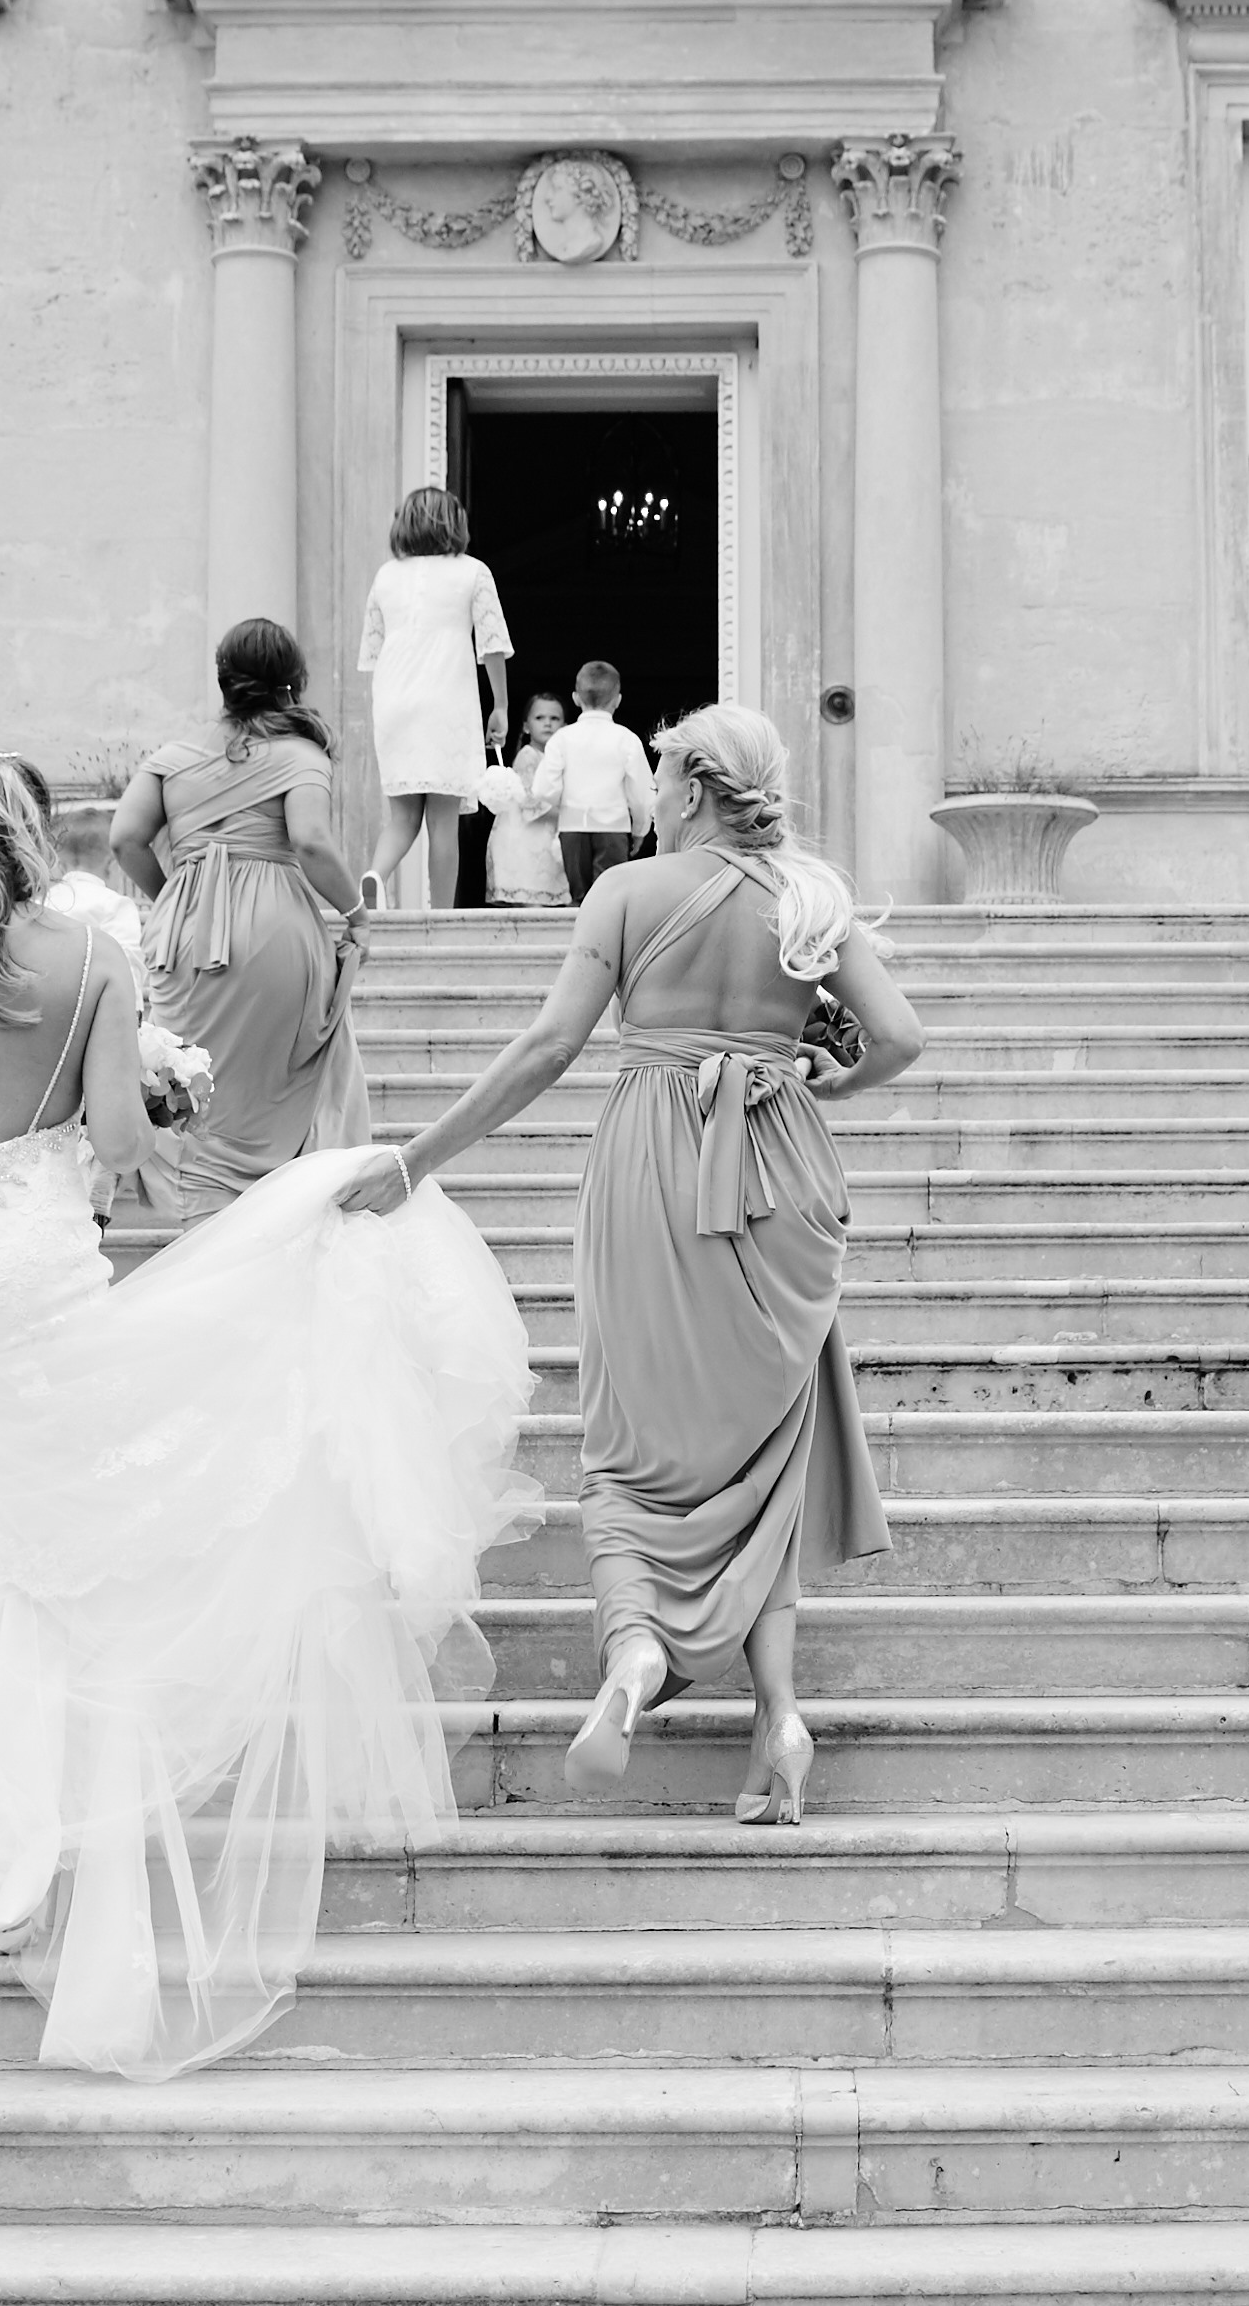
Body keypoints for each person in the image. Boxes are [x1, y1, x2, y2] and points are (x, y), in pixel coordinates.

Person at [0, 754, 542, 2081]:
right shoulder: (93, 959)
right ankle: (31, 1803)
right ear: (39, 837)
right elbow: (114, 1143)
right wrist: (138, 1103)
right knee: (41, 1544)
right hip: (31, 1267)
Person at [340, 703, 925, 1828]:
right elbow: (899, 1036)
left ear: (696, 787)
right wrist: (823, 1076)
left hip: (655, 1167)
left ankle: (637, 1649)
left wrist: (415, 1160)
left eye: (660, 775)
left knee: (624, 1449)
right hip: (782, 1171)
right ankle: (780, 1718)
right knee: (766, 1456)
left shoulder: (623, 892)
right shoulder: (809, 898)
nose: (652, 793)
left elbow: (549, 1045)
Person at [106, 617, 370, 1217]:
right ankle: (282, 1213)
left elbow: (125, 839)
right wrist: (357, 914)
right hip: (277, 928)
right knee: (278, 1078)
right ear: (290, 682)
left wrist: (176, 897)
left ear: (223, 679)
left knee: (191, 1079)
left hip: (184, 934)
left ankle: (206, 1218)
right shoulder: (302, 755)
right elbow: (310, 841)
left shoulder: (171, 759)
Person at [356, 486, 512, 911]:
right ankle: (441, 916)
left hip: (394, 701)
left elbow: (373, 652)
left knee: (403, 817)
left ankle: (375, 875)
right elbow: (493, 645)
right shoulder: (472, 571)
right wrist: (500, 705)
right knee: (443, 822)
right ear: (454, 523)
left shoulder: (386, 576)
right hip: (447, 700)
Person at [537, 661, 653, 900]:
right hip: (614, 829)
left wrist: (565, 803)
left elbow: (543, 789)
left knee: (579, 901)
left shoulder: (562, 738)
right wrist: (640, 829)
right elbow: (642, 794)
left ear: (576, 698)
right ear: (617, 700)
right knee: (609, 900)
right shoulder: (626, 739)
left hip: (572, 827)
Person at [488, 692, 573, 908]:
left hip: (546, 837)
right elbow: (530, 803)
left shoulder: (560, 761)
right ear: (526, 726)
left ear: (564, 727)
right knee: (532, 902)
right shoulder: (528, 755)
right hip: (526, 842)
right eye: (540, 718)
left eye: (554, 718)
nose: (547, 723)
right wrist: (572, 816)